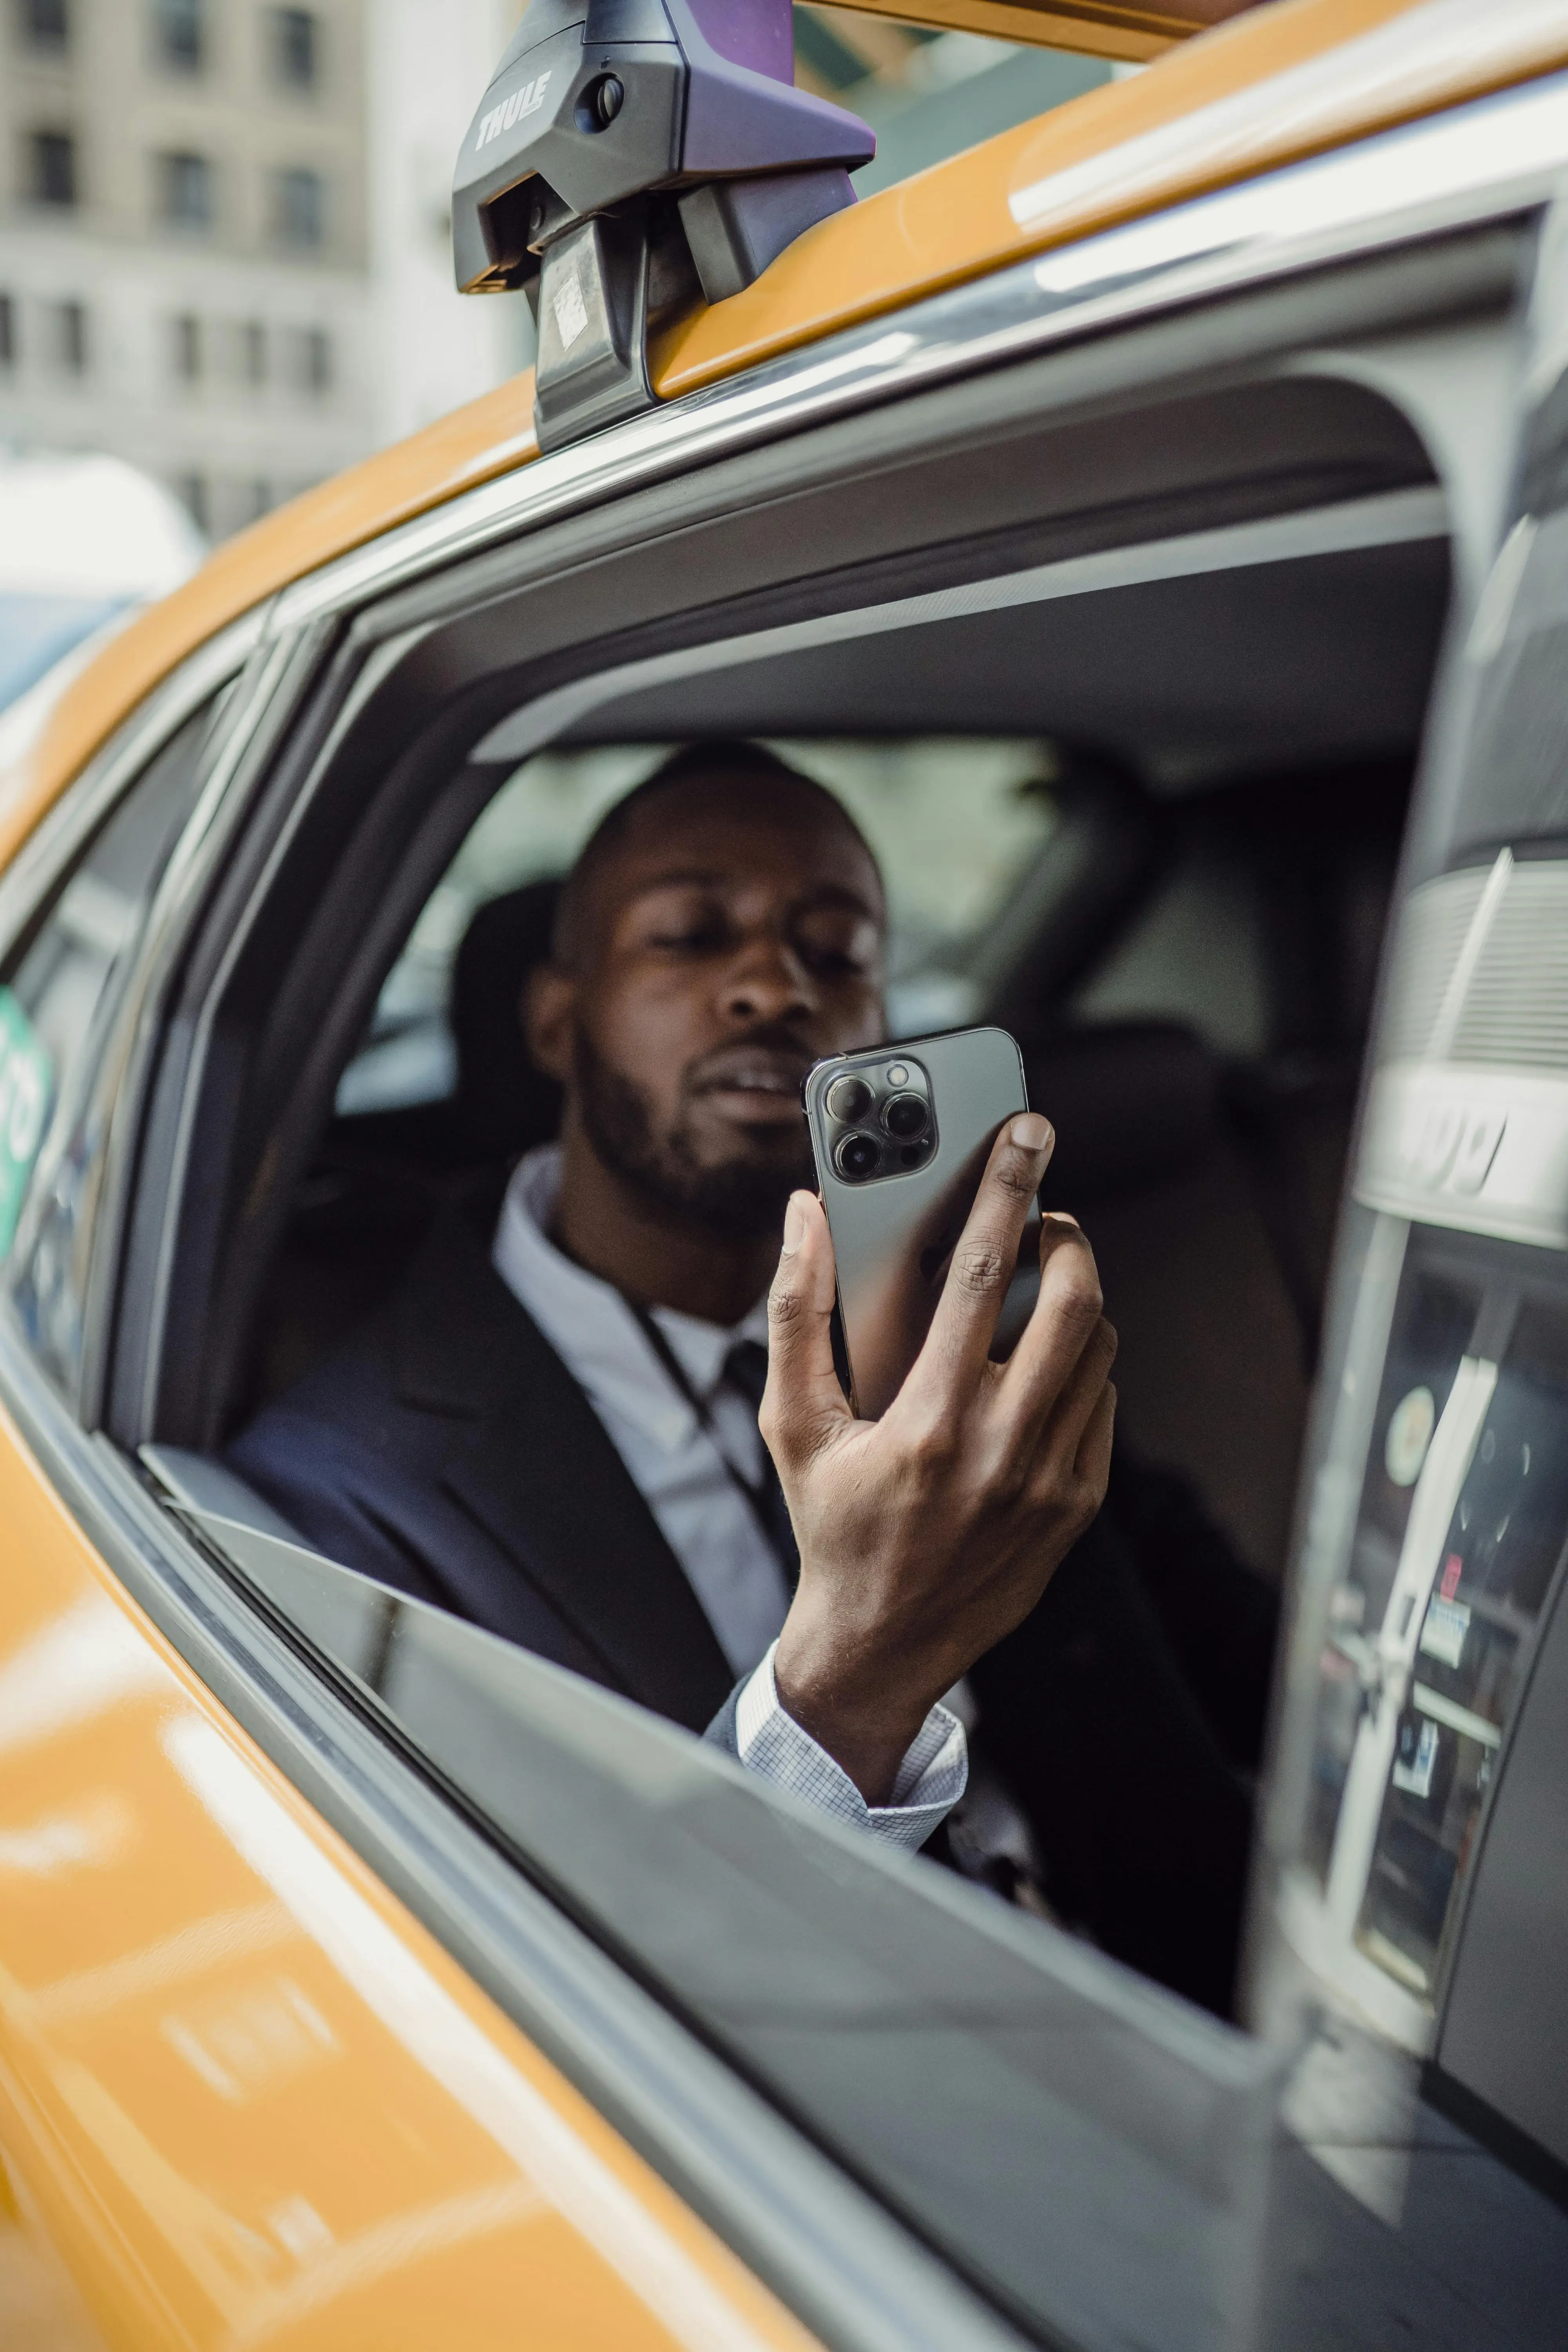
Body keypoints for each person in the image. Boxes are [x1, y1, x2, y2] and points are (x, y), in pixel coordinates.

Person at [232, 743, 1275, 2013]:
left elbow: (1241, 1652)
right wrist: (855, 1678)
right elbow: (527, 2008)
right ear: (556, 1019)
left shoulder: (943, 1335)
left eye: (835, 953)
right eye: (688, 935)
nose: (773, 986)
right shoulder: (340, 1491)